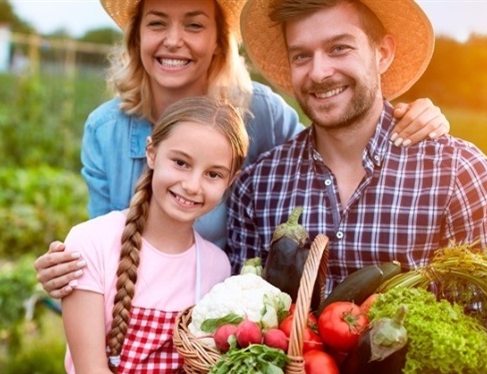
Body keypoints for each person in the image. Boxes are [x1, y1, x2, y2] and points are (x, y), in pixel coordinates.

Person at [228, 0, 487, 374]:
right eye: (301, 56)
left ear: (382, 53)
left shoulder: (461, 176)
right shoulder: (258, 185)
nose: (319, 72)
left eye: (339, 48)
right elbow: (242, 331)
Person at [35, 0, 450, 299]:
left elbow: (332, 138)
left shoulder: (261, 114)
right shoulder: (105, 130)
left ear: (219, 40)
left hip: (219, 321)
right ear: (137, 37)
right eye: (157, 23)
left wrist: (410, 113)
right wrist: (68, 269)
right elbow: (103, 245)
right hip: (139, 315)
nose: (173, 41)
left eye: (194, 25)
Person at [45, 95, 247, 374]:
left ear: (230, 180)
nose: (192, 184)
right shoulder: (93, 243)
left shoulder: (216, 267)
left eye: (213, 174)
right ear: (152, 153)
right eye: (181, 162)